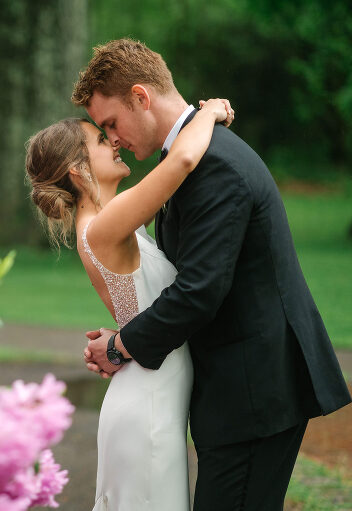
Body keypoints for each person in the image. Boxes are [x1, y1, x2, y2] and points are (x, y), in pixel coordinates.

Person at [73, 39, 351, 511]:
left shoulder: (213, 166)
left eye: (111, 124)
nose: (113, 138)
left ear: (141, 97)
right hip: (235, 391)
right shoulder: (190, 159)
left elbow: (199, 291)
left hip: (254, 393)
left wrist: (121, 347)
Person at [25, 98, 233, 510]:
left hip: (151, 394)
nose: (115, 143)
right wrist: (208, 113)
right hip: (148, 410)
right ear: (79, 171)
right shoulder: (104, 224)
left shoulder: (106, 222)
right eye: (102, 140)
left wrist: (119, 340)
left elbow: (143, 300)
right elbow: (183, 161)